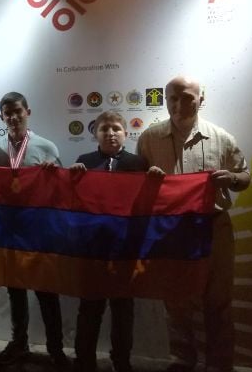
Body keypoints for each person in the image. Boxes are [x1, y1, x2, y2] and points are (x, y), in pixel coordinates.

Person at [136, 76, 250, 372]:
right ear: (165, 100)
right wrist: (147, 181)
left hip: (214, 226)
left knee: (218, 299)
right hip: (170, 228)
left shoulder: (221, 138)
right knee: (175, 298)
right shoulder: (148, 138)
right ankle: (182, 360)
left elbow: (245, 176)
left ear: (201, 99)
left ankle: (219, 364)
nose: (178, 104)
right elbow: (135, 183)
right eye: (172, 98)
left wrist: (232, 178)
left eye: (186, 97)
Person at [0, 91, 69, 369]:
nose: (13, 117)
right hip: (8, 232)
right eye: (7, 113)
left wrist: (53, 174)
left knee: (47, 292)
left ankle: (56, 349)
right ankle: (18, 343)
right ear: (1, 117)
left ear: (27, 112)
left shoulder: (47, 147)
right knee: (16, 292)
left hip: (39, 232)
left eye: (18, 111)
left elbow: (61, 193)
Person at [69, 111, 148, 372]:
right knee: (89, 308)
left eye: (116, 128)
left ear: (126, 133)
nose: (110, 133)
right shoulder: (84, 162)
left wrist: (154, 177)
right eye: (104, 129)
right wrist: (73, 178)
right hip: (93, 248)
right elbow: (72, 201)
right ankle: (84, 362)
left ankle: (121, 362)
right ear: (95, 134)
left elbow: (147, 203)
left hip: (125, 248)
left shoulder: (138, 163)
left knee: (123, 310)